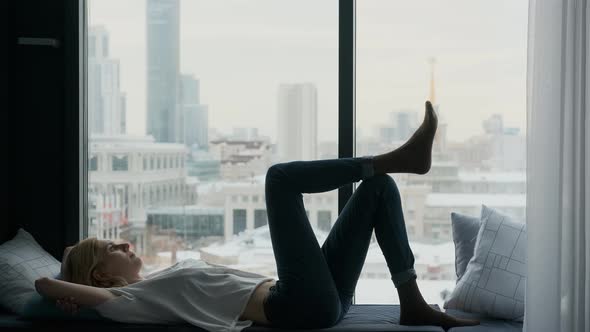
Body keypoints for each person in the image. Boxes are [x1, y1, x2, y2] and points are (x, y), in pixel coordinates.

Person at [35, 101, 479, 332]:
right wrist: (69, 289)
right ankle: (395, 157)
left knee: (379, 189)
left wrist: (78, 279)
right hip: (297, 306)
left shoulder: (150, 290)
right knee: (279, 179)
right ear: (104, 278)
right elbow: (42, 284)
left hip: (327, 298)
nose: (124, 242)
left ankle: (412, 303)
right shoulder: (131, 303)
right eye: (110, 248)